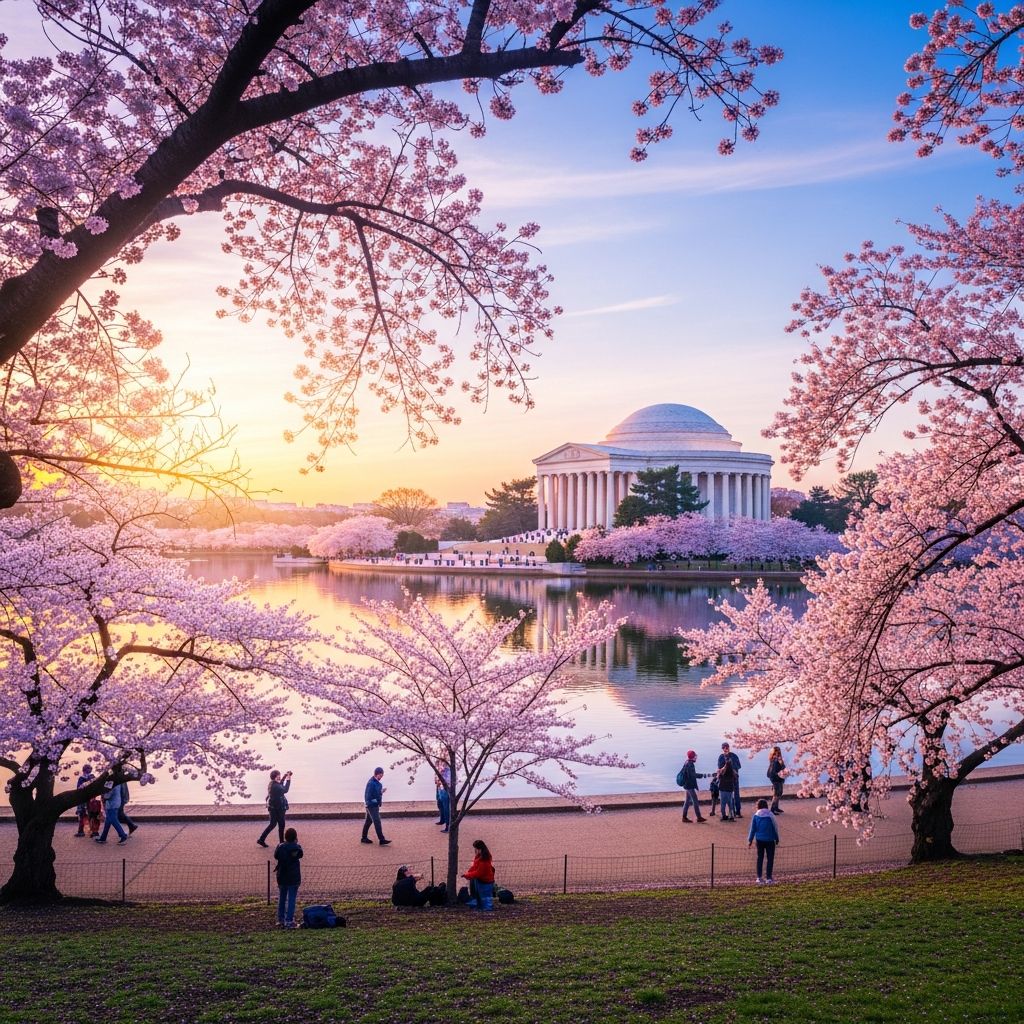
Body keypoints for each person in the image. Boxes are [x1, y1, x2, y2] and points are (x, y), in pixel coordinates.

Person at [274, 826, 303, 927]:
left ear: (285, 837)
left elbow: (276, 855)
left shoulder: (280, 847)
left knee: (282, 898)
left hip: (282, 876)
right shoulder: (297, 847)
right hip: (293, 877)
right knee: (291, 899)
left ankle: (280, 919)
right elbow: (300, 854)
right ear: (295, 837)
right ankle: (289, 920)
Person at [747, 798, 781, 884]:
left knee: (760, 858)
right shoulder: (771, 815)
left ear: (758, 806)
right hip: (770, 840)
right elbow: (775, 828)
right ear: (766, 806)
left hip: (759, 840)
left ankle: (759, 877)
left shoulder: (756, 815)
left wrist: (750, 840)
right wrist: (777, 838)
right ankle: (769, 878)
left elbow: (753, 829)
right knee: (770, 859)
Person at [257, 769, 292, 848]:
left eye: (279, 775)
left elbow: (280, 783)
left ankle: (261, 839)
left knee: (273, 824)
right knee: (281, 824)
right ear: (275, 777)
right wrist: (288, 779)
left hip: (273, 807)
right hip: (279, 808)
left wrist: (284, 776)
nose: (279, 777)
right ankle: (282, 843)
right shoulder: (276, 786)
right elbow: (285, 790)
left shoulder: (272, 783)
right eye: (278, 776)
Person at [462, 839, 495, 911]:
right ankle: (478, 906)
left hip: (485, 881)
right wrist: (468, 874)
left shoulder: (483, 859)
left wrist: (468, 875)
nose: (474, 850)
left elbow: (479, 872)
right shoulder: (479, 857)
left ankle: (487, 909)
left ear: (479, 849)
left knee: (485, 897)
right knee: (480, 895)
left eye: (475, 849)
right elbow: (475, 867)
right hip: (481, 880)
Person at [361, 767, 391, 846]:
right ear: (376, 774)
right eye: (380, 775)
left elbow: (376, 794)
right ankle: (382, 840)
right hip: (371, 806)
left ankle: (363, 838)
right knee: (377, 821)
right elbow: (368, 796)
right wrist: (374, 803)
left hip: (373, 805)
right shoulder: (371, 783)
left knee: (368, 821)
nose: (381, 777)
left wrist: (381, 792)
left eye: (382, 775)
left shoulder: (376, 783)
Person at [94, 780, 129, 844]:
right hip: (117, 802)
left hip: (111, 804)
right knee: (108, 821)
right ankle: (103, 838)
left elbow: (107, 795)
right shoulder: (117, 781)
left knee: (114, 820)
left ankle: (123, 835)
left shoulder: (110, 782)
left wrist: (102, 793)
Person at [678, 750, 707, 823]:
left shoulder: (686, 762)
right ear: (692, 757)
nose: (696, 757)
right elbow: (693, 775)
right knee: (695, 801)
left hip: (686, 784)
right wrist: (703, 775)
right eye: (695, 756)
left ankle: (684, 818)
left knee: (687, 801)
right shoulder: (690, 764)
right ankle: (699, 817)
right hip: (689, 785)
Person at [718, 742, 742, 818]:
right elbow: (720, 768)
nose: (725, 749)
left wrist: (731, 765)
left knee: (737, 795)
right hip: (726, 780)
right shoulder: (721, 757)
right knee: (730, 796)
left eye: (727, 747)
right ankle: (732, 812)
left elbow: (739, 766)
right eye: (724, 748)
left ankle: (738, 811)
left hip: (734, 778)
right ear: (722, 749)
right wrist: (725, 765)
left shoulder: (734, 756)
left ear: (729, 747)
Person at [74, 764, 94, 837]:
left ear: (83, 770)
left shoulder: (81, 778)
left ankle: (81, 831)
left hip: (83, 800)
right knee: (91, 815)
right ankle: (93, 831)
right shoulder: (93, 778)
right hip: (91, 799)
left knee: (82, 815)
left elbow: (78, 789)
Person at [715, 755, 736, 822]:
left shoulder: (722, 771)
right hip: (729, 789)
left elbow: (718, 777)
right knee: (730, 803)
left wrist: (719, 771)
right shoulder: (733, 772)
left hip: (722, 789)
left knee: (723, 803)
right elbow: (735, 779)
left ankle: (724, 816)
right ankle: (731, 816)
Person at [767, 746, 786, 814]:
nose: (778, 752)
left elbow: (782, 767)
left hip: (778, 777)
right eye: (777, 751)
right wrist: (781, 763)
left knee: (779, 793)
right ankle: (772, 809)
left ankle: (776, 807)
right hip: (776, 778)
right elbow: (781, 767)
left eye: (779, 751)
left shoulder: (775, 759)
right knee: (776, 794)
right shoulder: (775, 760)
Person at [435, 761, 451, 833]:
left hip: (445, 789)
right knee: (439, 804)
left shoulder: (448, 769)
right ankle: (442, 820)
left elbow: (448, 781)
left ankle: (448, 826)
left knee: (446, 807)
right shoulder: (439, 767)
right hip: (439, 788)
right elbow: (436, 777)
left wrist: (439, 782)